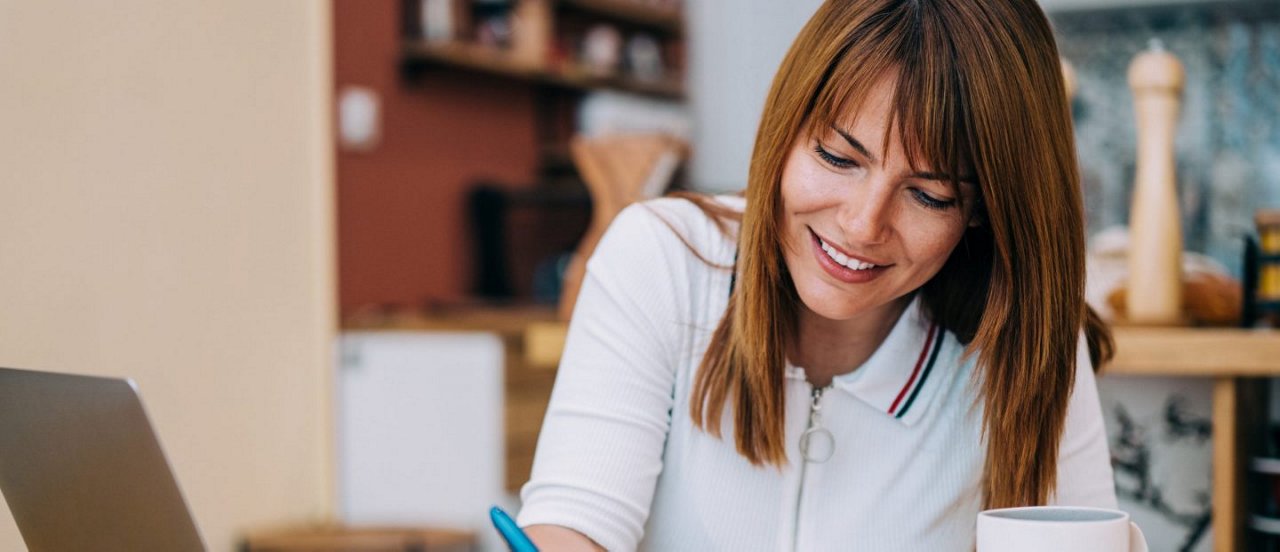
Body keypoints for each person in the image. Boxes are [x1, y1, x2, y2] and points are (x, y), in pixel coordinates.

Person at [517, 0, 1117, 550]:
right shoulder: (664, 257)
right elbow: (573, 525)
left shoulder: (1030, 343)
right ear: (785, 127)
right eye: (837, 157)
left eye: (930, 195)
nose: (862, 226)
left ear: (986, 208)